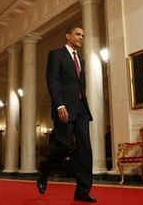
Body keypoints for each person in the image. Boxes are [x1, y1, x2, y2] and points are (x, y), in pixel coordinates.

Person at [36, 26, 96, 203]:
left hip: (82, 109)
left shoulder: (81, 60)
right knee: (64, 145)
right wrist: (59, 104)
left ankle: (82, 191)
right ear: (68, 35)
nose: (81, 37)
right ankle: (44, 169)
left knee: (85, 149)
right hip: (65, 108)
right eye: (78, 34)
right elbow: (52, 80)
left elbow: (79, 86)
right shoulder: (56, 54)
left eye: (83, 35)